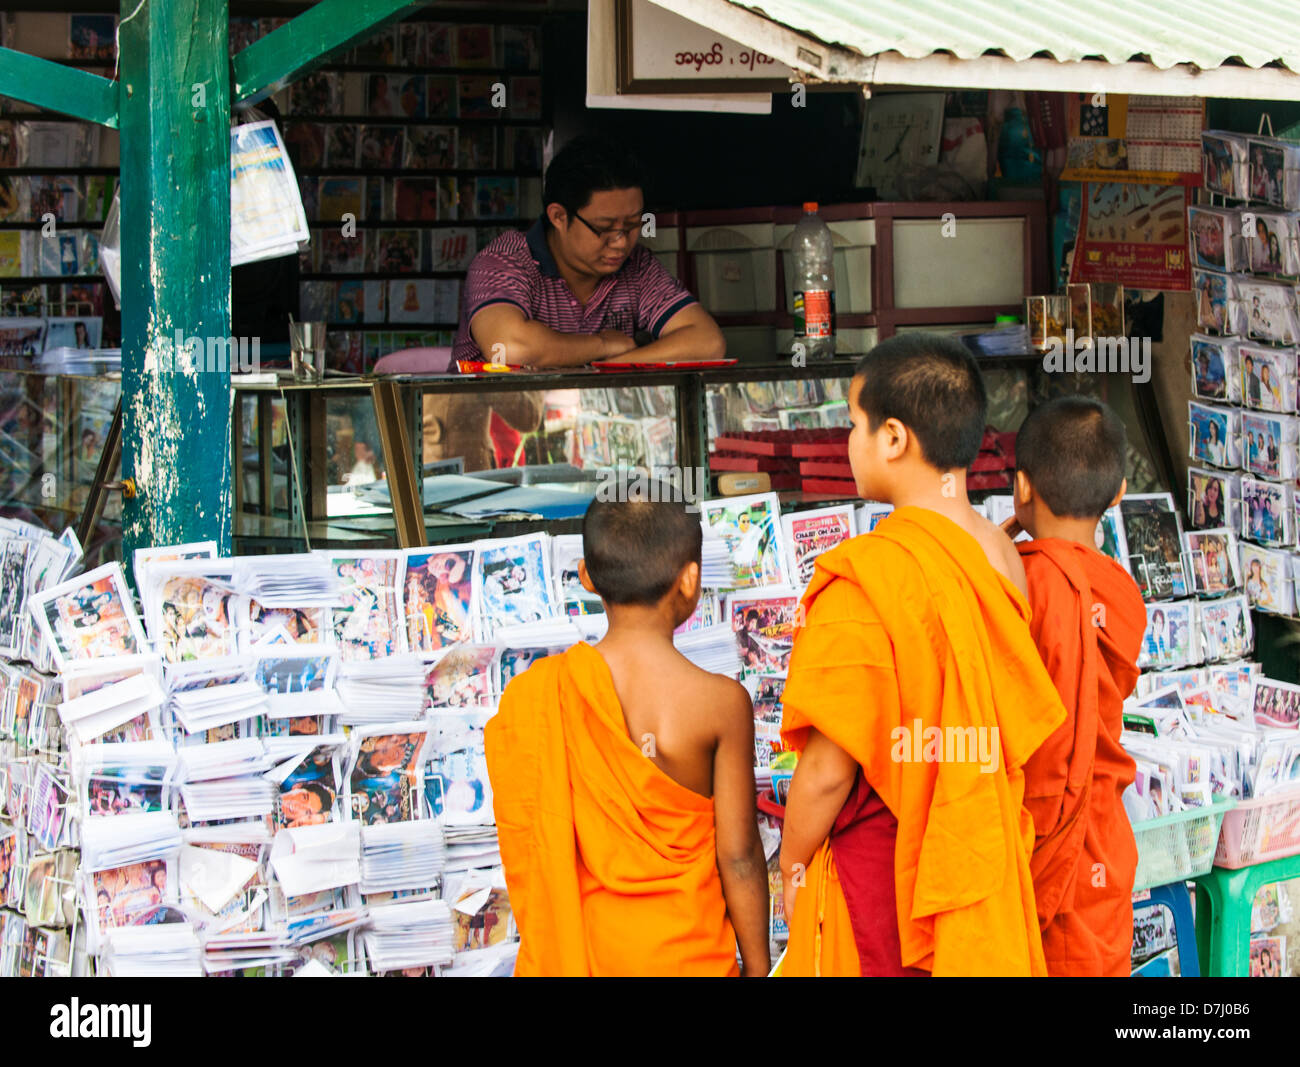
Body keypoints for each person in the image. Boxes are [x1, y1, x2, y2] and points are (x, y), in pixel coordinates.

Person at [777, 333, 1066, 977]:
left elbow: (828, 770)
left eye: (854, 424)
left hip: (885, 870)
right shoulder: (1000, 554)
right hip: (979, 850)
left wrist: (792, 865)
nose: (848, 442)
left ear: (896, 438)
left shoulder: (869, 573)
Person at [486, 497, 769, 976]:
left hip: (584, 957)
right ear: (691, 580)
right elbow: (739, 857)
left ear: (586, 577)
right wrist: (761, 969)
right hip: (687, 955)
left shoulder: (539, 694)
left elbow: (537, 846)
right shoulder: (721, 704)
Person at [1002, 398, 1147, 977]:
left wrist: (1003, 532)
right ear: (1119, 494)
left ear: (1021, 487)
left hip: (1032, 834)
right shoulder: (1121, 592)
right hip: (1102, 842)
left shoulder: (1018, 581)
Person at [453, 134, 724, 367]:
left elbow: (707, 342)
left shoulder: (637, 266)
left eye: (631, 225)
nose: (620, 242)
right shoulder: (504, 260)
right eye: (604, 228)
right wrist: (604, 344)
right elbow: (508, 349)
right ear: (559, 217)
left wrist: (609, 367)